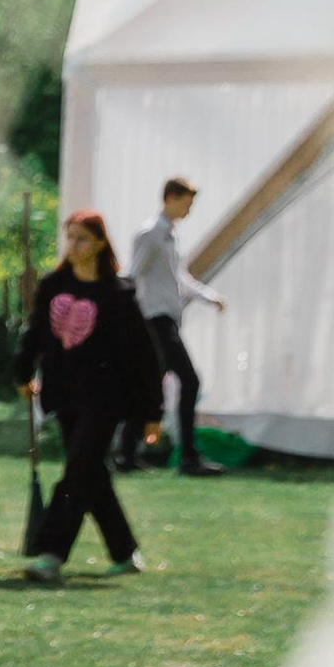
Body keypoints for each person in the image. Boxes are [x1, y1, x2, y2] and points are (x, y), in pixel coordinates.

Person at [16, 211, 164, 581]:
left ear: (100, 242)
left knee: (78, 470)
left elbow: (144, 356)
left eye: (82, 238)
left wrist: (152, 411)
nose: (74, 245)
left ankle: (50, 553)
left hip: (106, 398)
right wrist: (22, 371)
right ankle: (125, 551)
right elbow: (35, 331)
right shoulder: (54, 285)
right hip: (64, 394)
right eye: (70, 237)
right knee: (91, 473)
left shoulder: (118, 294)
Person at [121, 179, 225, 474]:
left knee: (149, 385)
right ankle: (188, 457)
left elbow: (178, 278)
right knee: (189, 381)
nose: (189, 209)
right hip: (155, 318)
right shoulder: (151, 233)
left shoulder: (169, 234)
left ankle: (127, 454)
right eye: (186, 202)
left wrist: (208, 296)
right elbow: (135, 273)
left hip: (167, 316)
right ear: (170, 198)